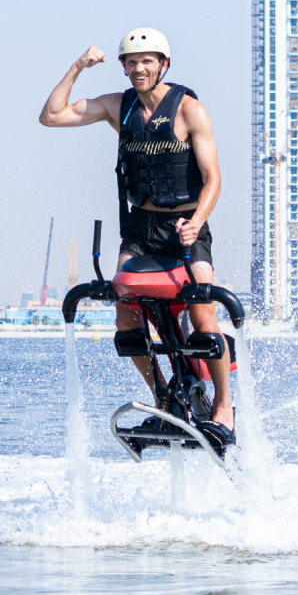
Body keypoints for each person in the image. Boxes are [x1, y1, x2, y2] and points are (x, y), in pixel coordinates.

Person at [39, 28, 234, 445]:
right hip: (140, 231)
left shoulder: (189, 110)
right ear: (124, 68)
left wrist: (197, 221)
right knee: (125, 318)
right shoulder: (118, 107)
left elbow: (214, 178)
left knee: (203, 309)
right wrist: (77, 67)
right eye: (131, 61)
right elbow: (51, 116)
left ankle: (223, 407)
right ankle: (163, 399)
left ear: (163, 65)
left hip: (185, 227)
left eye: (148, 60)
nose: (139, 68)